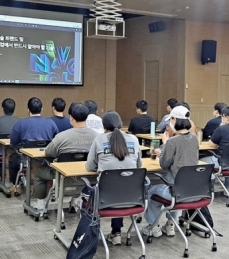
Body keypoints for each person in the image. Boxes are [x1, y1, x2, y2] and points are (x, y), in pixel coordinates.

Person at [85, 112, 142, 245]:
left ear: (104, 126)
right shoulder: (133, 139)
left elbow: (89, 166)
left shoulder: (99, 140)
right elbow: (139, 165)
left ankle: (89, 234)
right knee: (120, 186)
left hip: (106, 199)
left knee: (86, 194)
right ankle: (116, 232)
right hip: (132, 198)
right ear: (121, 124)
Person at [143, 106, 199, 238]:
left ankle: (153, 226)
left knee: (151, 191)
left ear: (174, 120)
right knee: (176, 192)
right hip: (193, 189)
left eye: (171, 120)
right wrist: (166, 146)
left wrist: (166, 143)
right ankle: (170, 225)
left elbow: (164, 164)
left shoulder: (172, 141)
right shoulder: (194, 138)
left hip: (175, 189)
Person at [32, 103, 97, 210]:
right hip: (88, 177)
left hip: (62, 176)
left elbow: (48, 152)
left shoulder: (62, 137)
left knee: (39, 173)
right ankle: (75, 202)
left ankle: (40, 204)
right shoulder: (97, 137)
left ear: (71, 118)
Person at [9, 98, 58, 195]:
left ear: (28, 110)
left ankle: (16, 185)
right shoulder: (51, 123)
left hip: (26, 159)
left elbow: (13, 142)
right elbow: (56, 140)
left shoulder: (20, 123)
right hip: (47, 159)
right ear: (42, 109)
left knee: (12, 158)